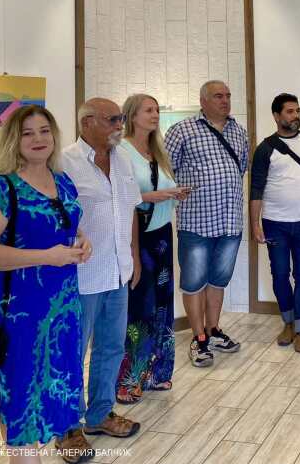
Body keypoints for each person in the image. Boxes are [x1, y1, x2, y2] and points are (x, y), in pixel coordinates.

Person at [0, 105, 92, 464]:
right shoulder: (0, 187)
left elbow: (66, 224)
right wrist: (46, 256)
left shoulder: (62, 181)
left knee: (49, 392)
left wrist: (82, 240)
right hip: (17, 313)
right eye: (27, 133)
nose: (38, 139)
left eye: (44, 131)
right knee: (20, 396)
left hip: (60, 311)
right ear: (13, 140)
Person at [60, 98, 142, 456]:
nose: (119, 125)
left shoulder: (123, 158)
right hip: (80, 276)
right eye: (112, 119)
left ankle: (99, 414)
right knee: (72, 353)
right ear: (87, 122)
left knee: (111, 347)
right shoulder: (64, 162)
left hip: (118, 270)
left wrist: (134, 256)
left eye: (121, 118)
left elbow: (131, 210)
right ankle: (67, 427)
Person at [164, 80, 249, 367]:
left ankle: (213, 330)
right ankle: (198, 338)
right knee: (193, 283)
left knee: (218, 280)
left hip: (230, 221)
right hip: (196, 222)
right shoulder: (182, 130)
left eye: (228, 95)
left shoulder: (238, 131)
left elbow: (241, 168)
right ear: (203, 101)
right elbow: (166, 170)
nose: (225, 100)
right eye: (218, 96)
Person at [115, 94, 190, 403]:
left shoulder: (157, 151)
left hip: (161, 234)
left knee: (161, 304)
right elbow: (121, 196)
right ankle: (129, 379)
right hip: (139, 237)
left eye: (157, 110)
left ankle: (158, 372)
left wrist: (173, 194)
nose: (155, 114)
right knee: (139, 308)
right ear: (132, 116)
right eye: (149, 110)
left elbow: (159, 189)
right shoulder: (121, 152)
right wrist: (152, 197)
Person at [250, 93, 300, 356]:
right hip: (275, 224)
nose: (296, 116)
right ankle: (289, 323)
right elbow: (256, 189)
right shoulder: (265, 149)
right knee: (280, 274)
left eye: (298, 111)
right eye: (290, 111)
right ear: (276, 116)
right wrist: (255, 224)